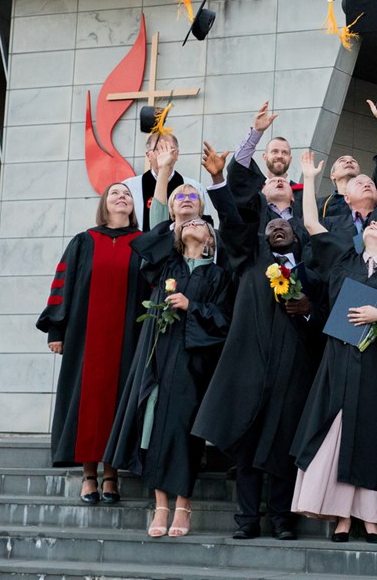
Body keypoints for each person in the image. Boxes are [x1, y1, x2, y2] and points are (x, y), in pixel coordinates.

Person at [193, 146, 325, 541]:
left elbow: (328, 289)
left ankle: (283, 519)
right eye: (270, 181)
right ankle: (247, 519)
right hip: (249, 356)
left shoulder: (308, 243)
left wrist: (309, 309)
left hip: (293, 356)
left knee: (284, 438)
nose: (276, 230)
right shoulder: (251, 247)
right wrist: (219, 180)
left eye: (284, 181)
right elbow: (233, 221)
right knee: (248, 441)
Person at [290, 150, 377, 544]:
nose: (374, 223)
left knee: (372, 431)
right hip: (340, 357)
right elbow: (310, 223)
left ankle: (371, 517)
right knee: (338, 430)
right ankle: (340, 515)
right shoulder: (344, 260)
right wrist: (309, 178)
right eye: (371, 222)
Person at [104, 196, 233, 539]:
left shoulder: (219, 276)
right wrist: (177, 220)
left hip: (193, 362)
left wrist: (193, 306)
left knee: (181, 428)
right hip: (159, 359)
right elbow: (145, 245)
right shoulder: (167, 268)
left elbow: (224, 320)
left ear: (211, 240)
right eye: (187, 224)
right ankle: (161, 504)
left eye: (201, 224)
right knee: (153, 426)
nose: (194, 224)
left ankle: (182, 505)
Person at [37, 182, 148, 505]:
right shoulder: (83, 242)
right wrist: (55, 332)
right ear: (104, 203)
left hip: (129, 338)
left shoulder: (142, 243)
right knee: (86, 403)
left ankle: (111, 475)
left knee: (117, 404)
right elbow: (63, 286)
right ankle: (89, 476)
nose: (121, 197)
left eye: (127, 194)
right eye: (115, 193)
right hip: (85, 339)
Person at [121, 132, 209, 230]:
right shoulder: (128, 187)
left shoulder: (194, 187)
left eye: (168, 149)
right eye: (158, 149)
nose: (163, 154)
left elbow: (205, 224)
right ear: (148, 155)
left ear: (176, 155)